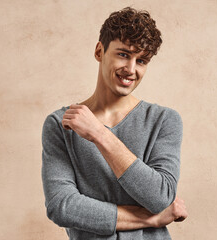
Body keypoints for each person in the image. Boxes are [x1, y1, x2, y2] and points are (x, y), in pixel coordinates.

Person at [41, 7, 187, 240]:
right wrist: (151, 219)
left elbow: (160, 197)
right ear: (100, 51)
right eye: (123, 54)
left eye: (142, 60)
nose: (131, 69)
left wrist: (99, 133)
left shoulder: (164, 120)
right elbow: (62, 206)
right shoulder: (61, 124)